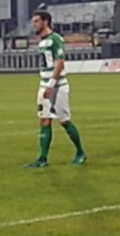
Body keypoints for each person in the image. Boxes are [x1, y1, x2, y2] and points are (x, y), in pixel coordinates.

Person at [25, 10, 87, 168]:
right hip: (44, 84)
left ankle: (80, 152)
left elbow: (60, 62)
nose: (35, 24)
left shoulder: (55, 39)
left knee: (64, 121)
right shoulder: (42, 41)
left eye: (37, 21)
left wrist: (52, 84)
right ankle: (42, 159)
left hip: (57, 86)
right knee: (44, 120)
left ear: (46, 22)